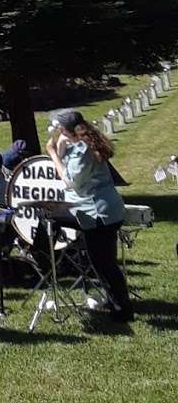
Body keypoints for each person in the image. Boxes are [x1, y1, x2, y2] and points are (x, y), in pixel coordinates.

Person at [45, 110, 133, 321]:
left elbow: (70, 181)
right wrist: (61, 149)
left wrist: (53, 154)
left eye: (60, 129)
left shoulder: (83, 149)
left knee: (104, 264)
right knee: (105, 263)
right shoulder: (82, 145)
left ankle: (122, 311)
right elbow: (69, 170)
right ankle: (119, 306)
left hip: (98, 213)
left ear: (67, 131)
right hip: (104, 211)